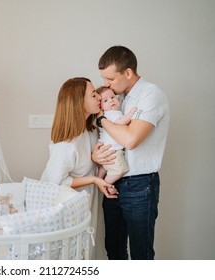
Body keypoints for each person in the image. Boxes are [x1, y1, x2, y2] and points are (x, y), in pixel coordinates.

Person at [94, 45, 170, 260]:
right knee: (114, 249)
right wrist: (96, 156)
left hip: (139, 185)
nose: (106, 84)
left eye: (110, 78)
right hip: (114, 183)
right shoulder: (119, 98)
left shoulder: (150, 95)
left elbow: (131, 140)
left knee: (140, 254)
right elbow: (109, 138)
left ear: (128, 73)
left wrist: (101, 119)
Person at [40, 77, 118, 199]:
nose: (99, 97)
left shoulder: (91, 131)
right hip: (64, 204)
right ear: (79, 102)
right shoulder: (65, 143)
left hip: (86, 199)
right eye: (93, 95)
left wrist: (95, 158)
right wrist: (93, 180)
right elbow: (56, 181)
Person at [96, 86, 137, 186]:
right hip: (113, 151)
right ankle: (106, 183)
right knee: (120, 171)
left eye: (113, 97)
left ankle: (99, 177)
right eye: (106, 100)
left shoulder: (107, 114)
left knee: (106, 166)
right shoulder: (112, 113)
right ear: (100, 106)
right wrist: (131, 113)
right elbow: (121, 122)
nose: (111, 101)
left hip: (106, 149)